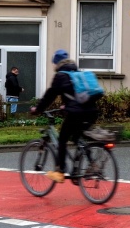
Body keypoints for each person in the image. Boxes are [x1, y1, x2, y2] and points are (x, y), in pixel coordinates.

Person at [30, 49, 99, 183]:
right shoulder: (78, 74)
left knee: (62, 139)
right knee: (76, 137)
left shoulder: (61, 75)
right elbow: (76, 95)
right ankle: (87, 166)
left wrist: (37, 109)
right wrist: (66, 106)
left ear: (56, 62)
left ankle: (60, 171)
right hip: (91, 112)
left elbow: (50, 95)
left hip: (77, 113)